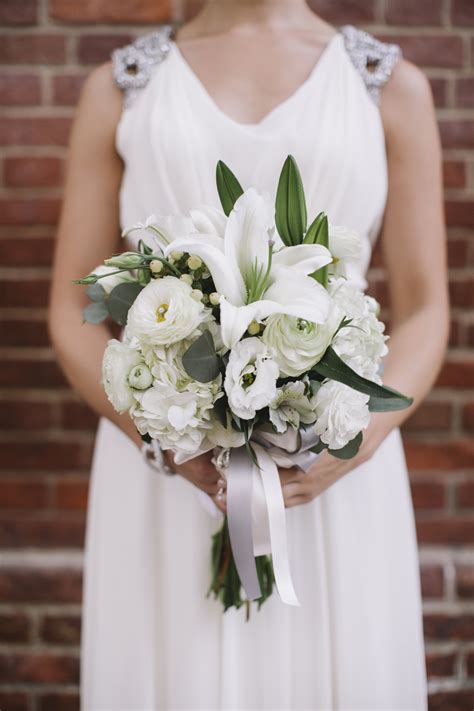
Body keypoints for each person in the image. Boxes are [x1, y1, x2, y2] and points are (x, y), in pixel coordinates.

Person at [49, 0, 449, 708]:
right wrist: (163, 443)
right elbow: (71, 310)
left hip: (334, 470)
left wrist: (351, 444)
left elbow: (425, 309)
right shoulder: (121, 88)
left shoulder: (389, 87)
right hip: (167, 476)